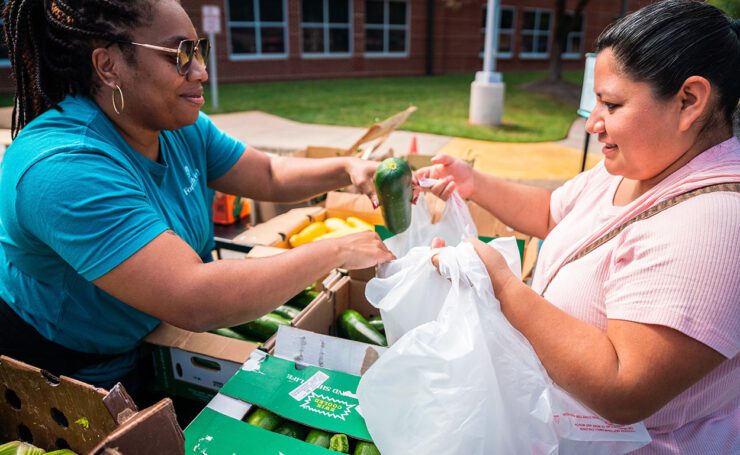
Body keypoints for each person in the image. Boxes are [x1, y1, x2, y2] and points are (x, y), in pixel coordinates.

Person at [0, 0, 394, 390]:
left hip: (155, 340)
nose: (201, 71)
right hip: (69, 374)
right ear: (109, 66)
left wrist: (348, 167)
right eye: (181, 54)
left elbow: (270, 174)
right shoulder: (63, 166)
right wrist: (336, 252)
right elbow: (193, 297)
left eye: (200, 50)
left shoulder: (174, 124)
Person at [421, 1, 739, 452]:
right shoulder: (639, 165)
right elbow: (554, 212)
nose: (592, 124)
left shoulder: (714, 227)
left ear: (689, 100)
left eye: (611, 104)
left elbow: (623, 387)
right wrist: (474, 183)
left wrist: (503, 287)